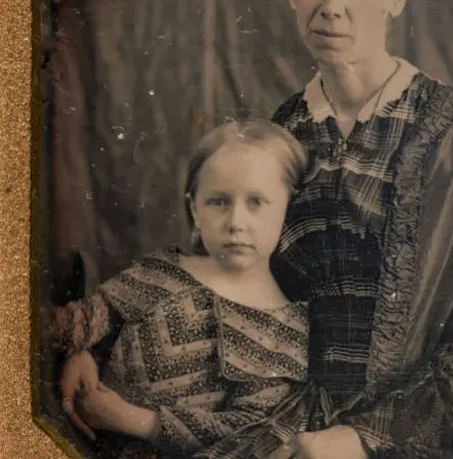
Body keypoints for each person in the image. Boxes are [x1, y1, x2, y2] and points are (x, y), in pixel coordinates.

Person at [216, 0, 453, 459]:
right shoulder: (276, 138)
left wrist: (364, 440)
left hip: (409, 434)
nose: (331, 5)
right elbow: (220, 278)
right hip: (282, 425)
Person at [49, 119, 312, 459]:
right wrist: (77, 351)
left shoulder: (286, 332)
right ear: (194, 209)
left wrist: (130, 419)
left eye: (257, 202)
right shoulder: (163, 273)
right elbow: (89, 318)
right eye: (218, 201)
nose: (236, 222)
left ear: (288, 211)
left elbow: (248, 432)